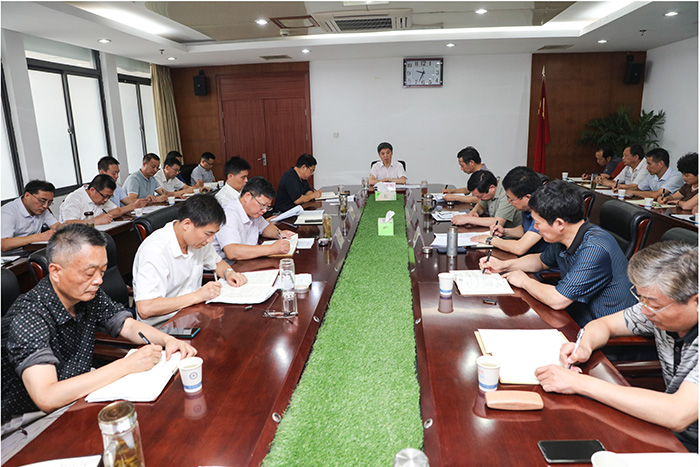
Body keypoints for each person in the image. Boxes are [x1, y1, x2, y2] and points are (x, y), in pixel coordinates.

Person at [1, 225, 196, 432]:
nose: (99, 281)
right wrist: (127, 365)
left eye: (102, 271)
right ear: (56, 271)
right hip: (29, 419)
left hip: (80, 392)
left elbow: (127, 324)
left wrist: (167, 340)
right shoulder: (29, 316)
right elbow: (47, 397)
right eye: (89, 273)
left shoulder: (87, 294)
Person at [535, 241, 698, 452]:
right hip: (668, 432)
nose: (644, 310)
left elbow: (678, 413)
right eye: (642, 299)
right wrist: (584, 347)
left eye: (654, 305)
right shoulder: (654, 310)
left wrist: (577, 382)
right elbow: (603, 325)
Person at [480, 180, 636, 326]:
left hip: (600, 328)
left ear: (559, 223)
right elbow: (541, 261)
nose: (535, 228)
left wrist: (524, 281)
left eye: (538, 223)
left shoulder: (595, 248)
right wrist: (504, 265)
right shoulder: (564, 236)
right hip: (574, 315)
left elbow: (558, 299)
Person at [132, 194, 247, 327]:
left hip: (193, 315)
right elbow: (145, 308)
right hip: (164, 326)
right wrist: (198, 296)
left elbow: (217, 263)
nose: (210, 240)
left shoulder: (197, 241)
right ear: (187, 224)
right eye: (208, 234)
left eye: (214, 234)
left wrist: (229, 273)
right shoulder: (155, 250)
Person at [214, 177, 295, 260]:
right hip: (229, 264)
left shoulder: (253, 212)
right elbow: (232, 252)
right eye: (262, 205)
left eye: (267, 207)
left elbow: (265, 227)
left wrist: (279, 233)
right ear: (247, 196)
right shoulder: (228, 214)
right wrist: (271, 249)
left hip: (247, 260)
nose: (264, 210)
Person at [471, 167, 547, 255]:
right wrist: (504, 232)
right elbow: (525, 230)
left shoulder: (542, 213)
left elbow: (519, 248)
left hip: (539, 259)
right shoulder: (527, 207)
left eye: (511, 199)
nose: (508, 202)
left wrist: (489, 239)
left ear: (527, 197)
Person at [1, 180, 61, 252]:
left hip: (32, 251)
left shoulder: (41, 209)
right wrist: (39, 237)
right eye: (42, 201)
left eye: (49, 202)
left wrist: (68, 227)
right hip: (12, 256)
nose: (45, 206)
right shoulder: (7, 212)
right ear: (27, 196)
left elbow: (56, 226)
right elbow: (3, 244)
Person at [451, 170, 522, 229]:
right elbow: (481, 206)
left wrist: (468, 219)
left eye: (480, 196)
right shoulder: (488, 188)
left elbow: (498, 222)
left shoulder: (507, 193)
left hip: (513, 235)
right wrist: (474, 212)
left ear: (492, 188)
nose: (478, 199)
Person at [58, 175, 137, 225]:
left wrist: (106, 216)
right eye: (105, 196)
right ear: (92, 190)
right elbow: (68, 223)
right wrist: (95, 221)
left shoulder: (101, 197)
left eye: (109, 197)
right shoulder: (75, 199)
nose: (106, 200)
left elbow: (117, 210)